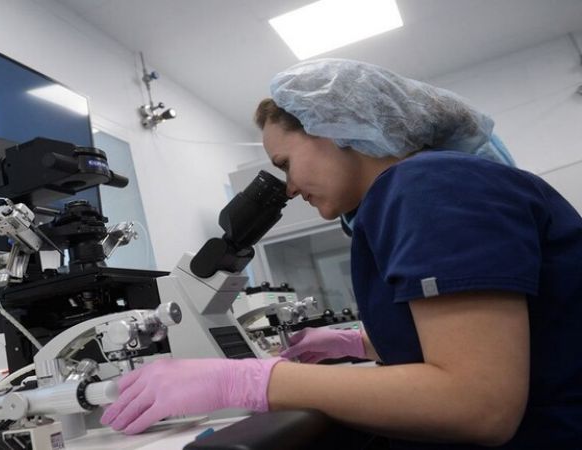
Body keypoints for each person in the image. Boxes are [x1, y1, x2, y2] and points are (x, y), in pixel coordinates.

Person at [100, 59, 582, 448]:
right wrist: (359, 344)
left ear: (333, 126)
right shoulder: (420, 189)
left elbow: (478, 405)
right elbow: (517, 337)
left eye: (285, 163)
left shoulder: (428, 186)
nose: (289, 188)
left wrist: (246, 381)